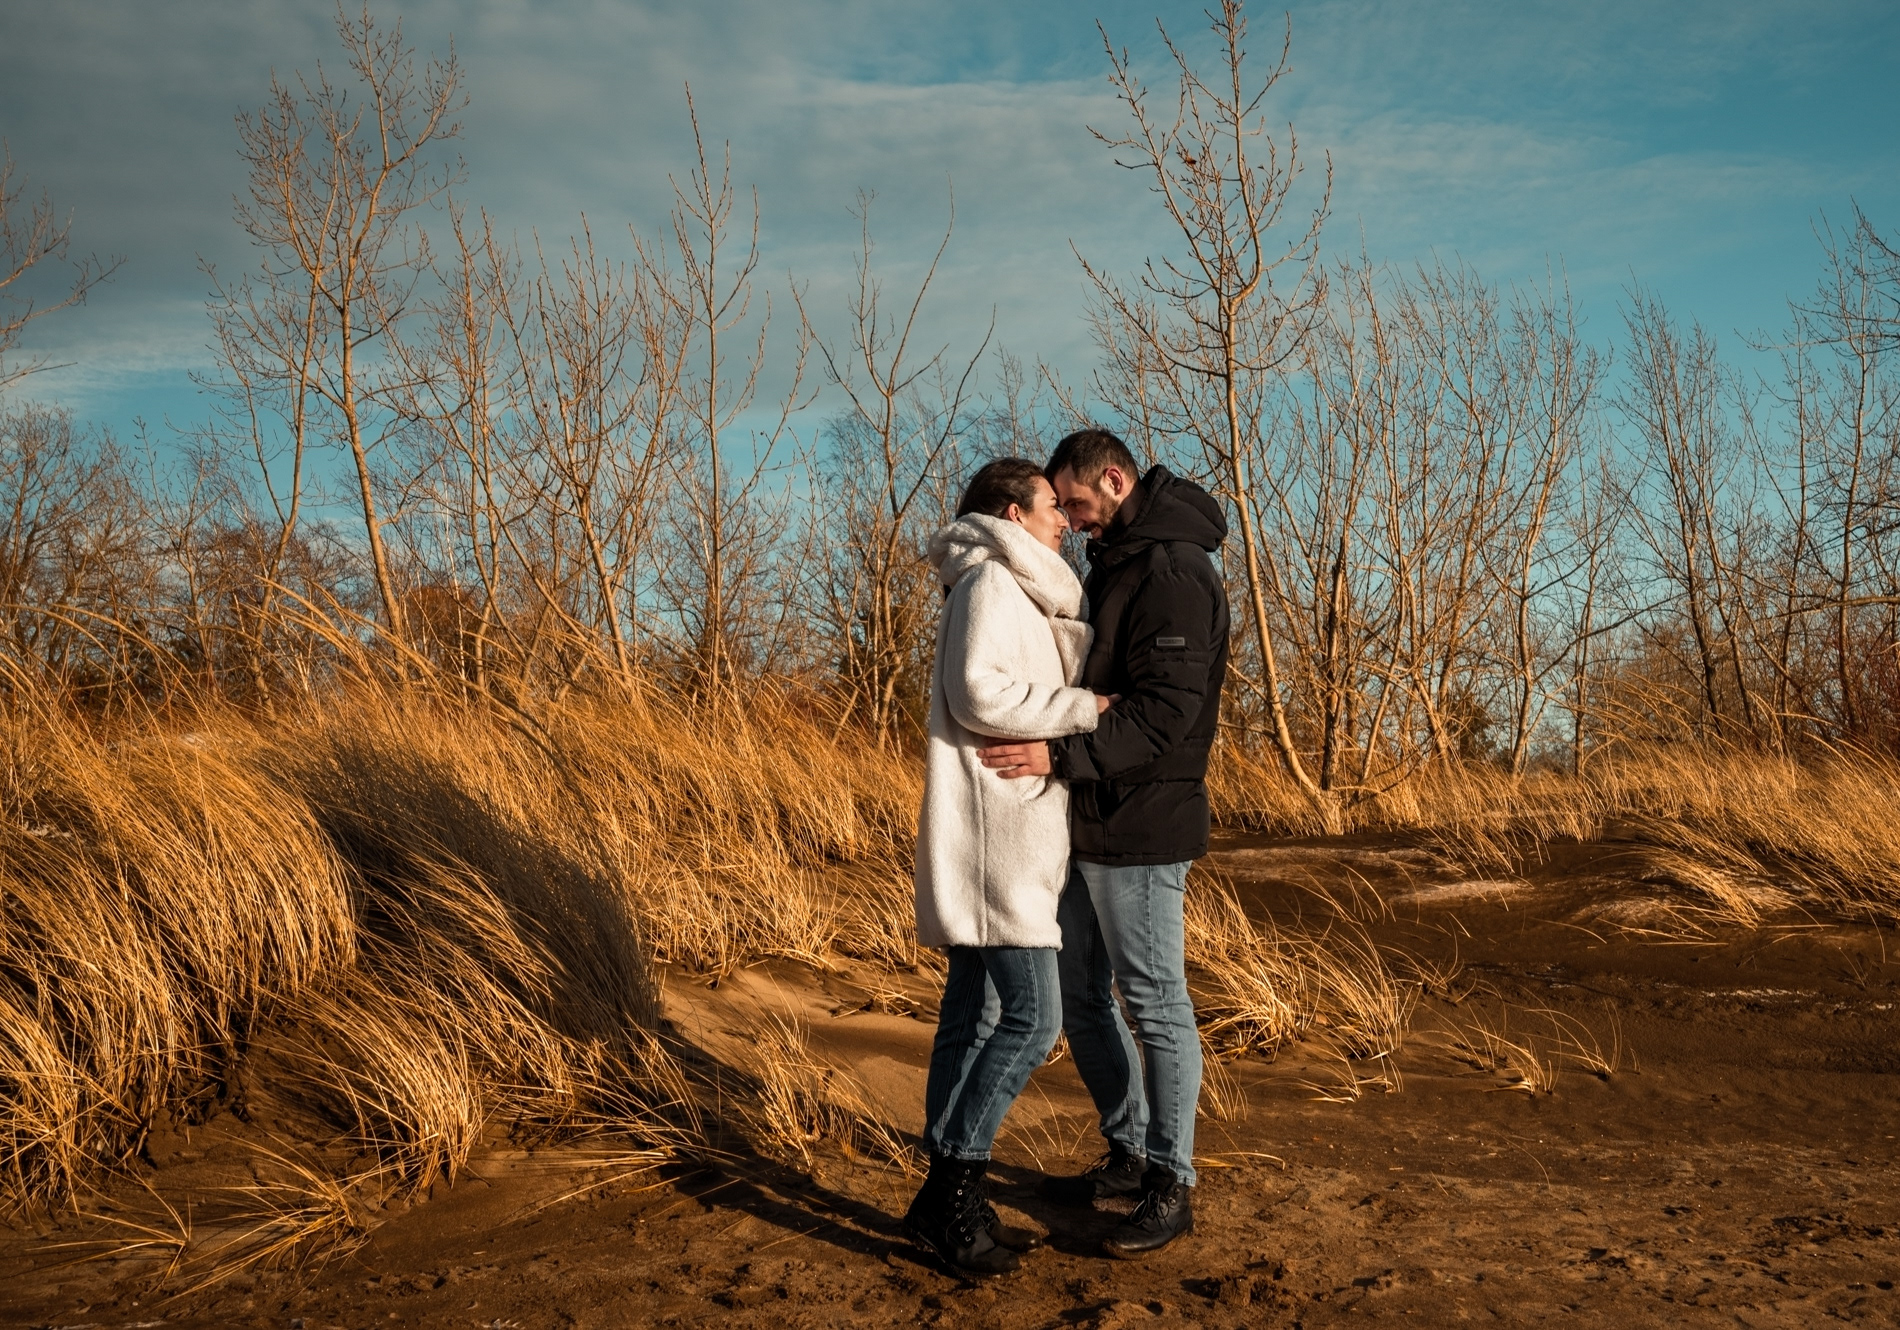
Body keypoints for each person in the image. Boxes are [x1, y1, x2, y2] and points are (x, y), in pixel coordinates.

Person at [979, 430, 1229, 1259]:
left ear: (1114, 480)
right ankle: (1128, 1151)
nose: (1072, 519)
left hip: (1145, 822)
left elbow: (1163, 716)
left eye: (1077, 502)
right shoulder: (1117, 561)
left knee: (1154, 1002)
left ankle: (1171, 1181)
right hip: (1090, 814)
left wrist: (1056, 755)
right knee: (1081, 995)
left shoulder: (1174, 572)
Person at [904, 457, 1116, 1277]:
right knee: (1034, 1020)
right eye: (1050, 506)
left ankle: (945, 1198)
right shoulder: (992, 582)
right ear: (1011, 514)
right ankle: (953, 1187)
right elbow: (977, 692)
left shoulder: (1007, 588)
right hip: (998, 839)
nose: (1064, 518)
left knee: (972, 1015)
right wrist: (1084, 709)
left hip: (1002, 831)